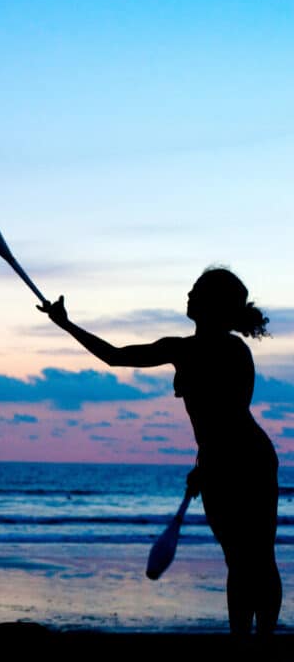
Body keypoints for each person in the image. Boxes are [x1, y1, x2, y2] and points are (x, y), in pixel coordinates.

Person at [38, 267, 280, 641]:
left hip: (247, 462)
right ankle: (243, 642)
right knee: (240, 558)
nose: (189, 293)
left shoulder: (228, 351)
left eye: (197, 290)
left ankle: (260, 640)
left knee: (257, 559)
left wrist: (209, 464)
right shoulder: (183, 348)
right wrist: (66, 325)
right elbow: (115, 358)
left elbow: (228, 418)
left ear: (212, 303)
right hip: (223, 460)